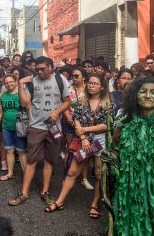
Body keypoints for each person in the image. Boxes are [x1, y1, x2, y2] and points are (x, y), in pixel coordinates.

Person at [44, 73, 113, 220]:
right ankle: (59, 201)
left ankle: (94, 205)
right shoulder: (81, 101)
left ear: (102, 87)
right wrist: (83, 137)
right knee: (72, 172)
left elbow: (106, 125)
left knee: (100, 175)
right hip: (83, 141)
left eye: (95, 83)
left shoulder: (108, 103)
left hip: (100, 143)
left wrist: (85, 131)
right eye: (89, 83)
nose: (91, 85)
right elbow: (76, 119)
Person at [112, 76, 154, 235]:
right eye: (143, 92)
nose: (147, 95)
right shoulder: (123, 124)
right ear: (134, 96)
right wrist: (111, 158)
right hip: (132, 187)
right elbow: (115, 150)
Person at [9, 56, 71, 206]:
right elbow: (24, 102)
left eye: (43, 69)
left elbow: (68, 101)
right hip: (36, 126)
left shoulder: (60, 79)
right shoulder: (32, 81)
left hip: (54, 128)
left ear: (51, 67)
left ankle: (45, 192)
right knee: (31, 160)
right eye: (37, 69)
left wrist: (57, 112)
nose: (40, 72)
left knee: (50, 160)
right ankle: (23, 193)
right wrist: (20, 84)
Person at [0, 74, 27, 181]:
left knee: (21, 152)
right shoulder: (4, 96)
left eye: (11, 81)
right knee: (9, 150)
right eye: (6, 83)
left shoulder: (21, 94)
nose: (9, 84)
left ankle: (26, 176)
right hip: (6, 127)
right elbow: (0, 112)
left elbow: (28, 107)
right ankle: (10, 173)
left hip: (20, 127)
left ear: (16, 82)